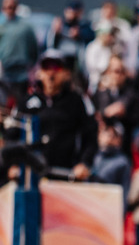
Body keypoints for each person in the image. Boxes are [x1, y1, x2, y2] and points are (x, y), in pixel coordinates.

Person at [18, 50, 96, 179]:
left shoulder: (77, 101)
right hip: (30, 176)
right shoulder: (26, 102)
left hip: (66, 173)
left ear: (66, 73)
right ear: (39, 73)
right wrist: (13, 164)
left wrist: (84, 163)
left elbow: (91, 136)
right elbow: (12, 135)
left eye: (56, 67)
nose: (51, 72)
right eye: (46, 67)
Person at [0, 0, 40, 101]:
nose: (9, 10)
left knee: (20, 103)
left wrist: (30, 65)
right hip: (3, 73)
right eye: (6, 7)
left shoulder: (25, 27)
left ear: (16, 7)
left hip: (21, 73)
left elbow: (33, 49)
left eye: (12, 7)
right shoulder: (1, 25)